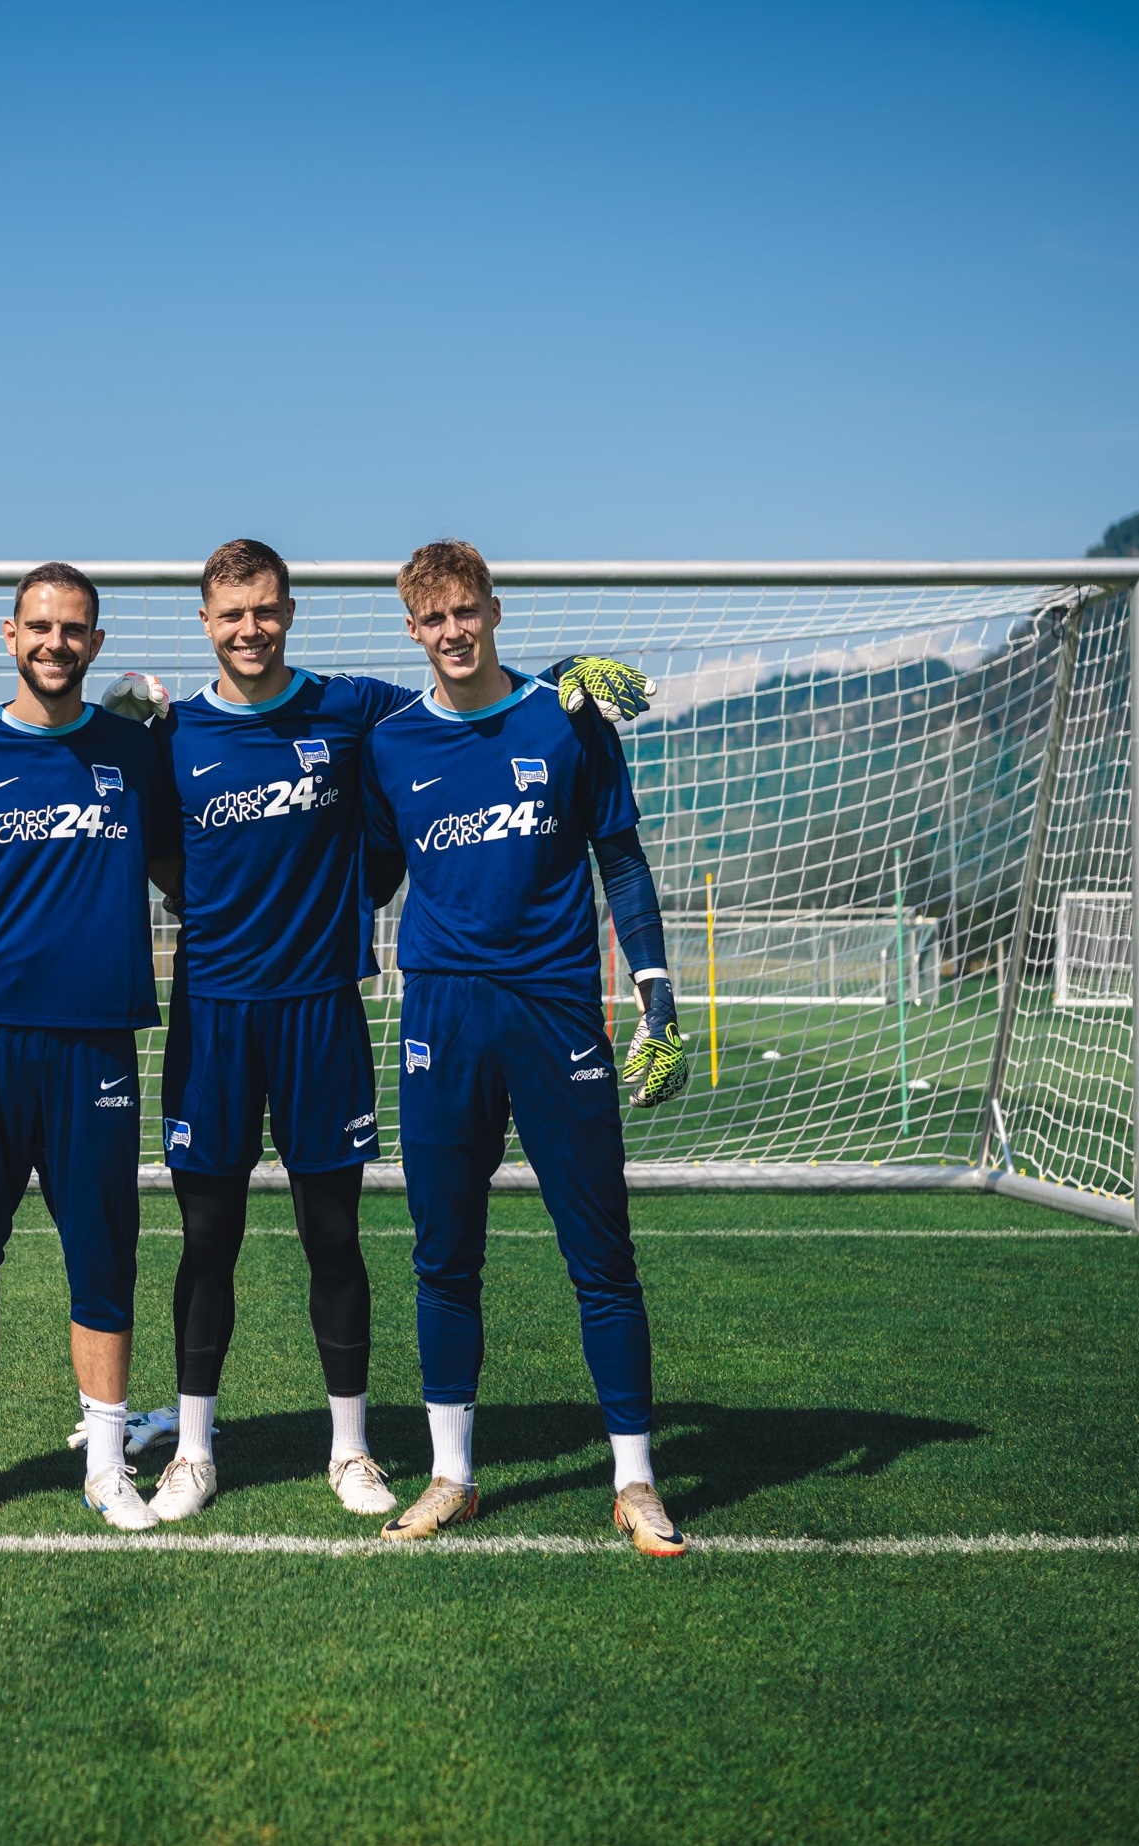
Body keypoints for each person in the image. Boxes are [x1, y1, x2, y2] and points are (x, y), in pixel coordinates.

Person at [362, 539, 693, 1557]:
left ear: (492, 610)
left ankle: (634, 1480)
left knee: (600, 1253)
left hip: (555, 1012)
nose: (454, 631)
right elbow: (367, 875)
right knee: (442, 1253)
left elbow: (622, 862)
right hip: (443, 1017)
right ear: (412, 630)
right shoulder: (391, 744)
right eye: (434, 619)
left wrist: (657, 996)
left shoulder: (567, 715)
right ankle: (452, 1475)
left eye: (467, 611)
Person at [134, 539, 418, 1523]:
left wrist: (561, 684)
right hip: (213, 1009)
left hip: (321, 1007)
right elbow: (158, 848)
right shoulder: (170, 733)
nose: (249, 629)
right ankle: (195, 1452)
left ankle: (352, 1449)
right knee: (207, 1236)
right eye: (230, 614)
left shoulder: (348, 708)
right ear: (204, 622)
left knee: (331, 1235)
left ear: (289, 610)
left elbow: (457, 692)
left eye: (264, 610)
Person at [0, 563, 182, 1533]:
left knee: (103, 1258)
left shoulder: (134, 753)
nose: (55, 642)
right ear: (9, 633)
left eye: (74, 628)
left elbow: (187, 868)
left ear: (97, 643)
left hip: (97, 1044)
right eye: (39, 625)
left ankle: (108, 1466)